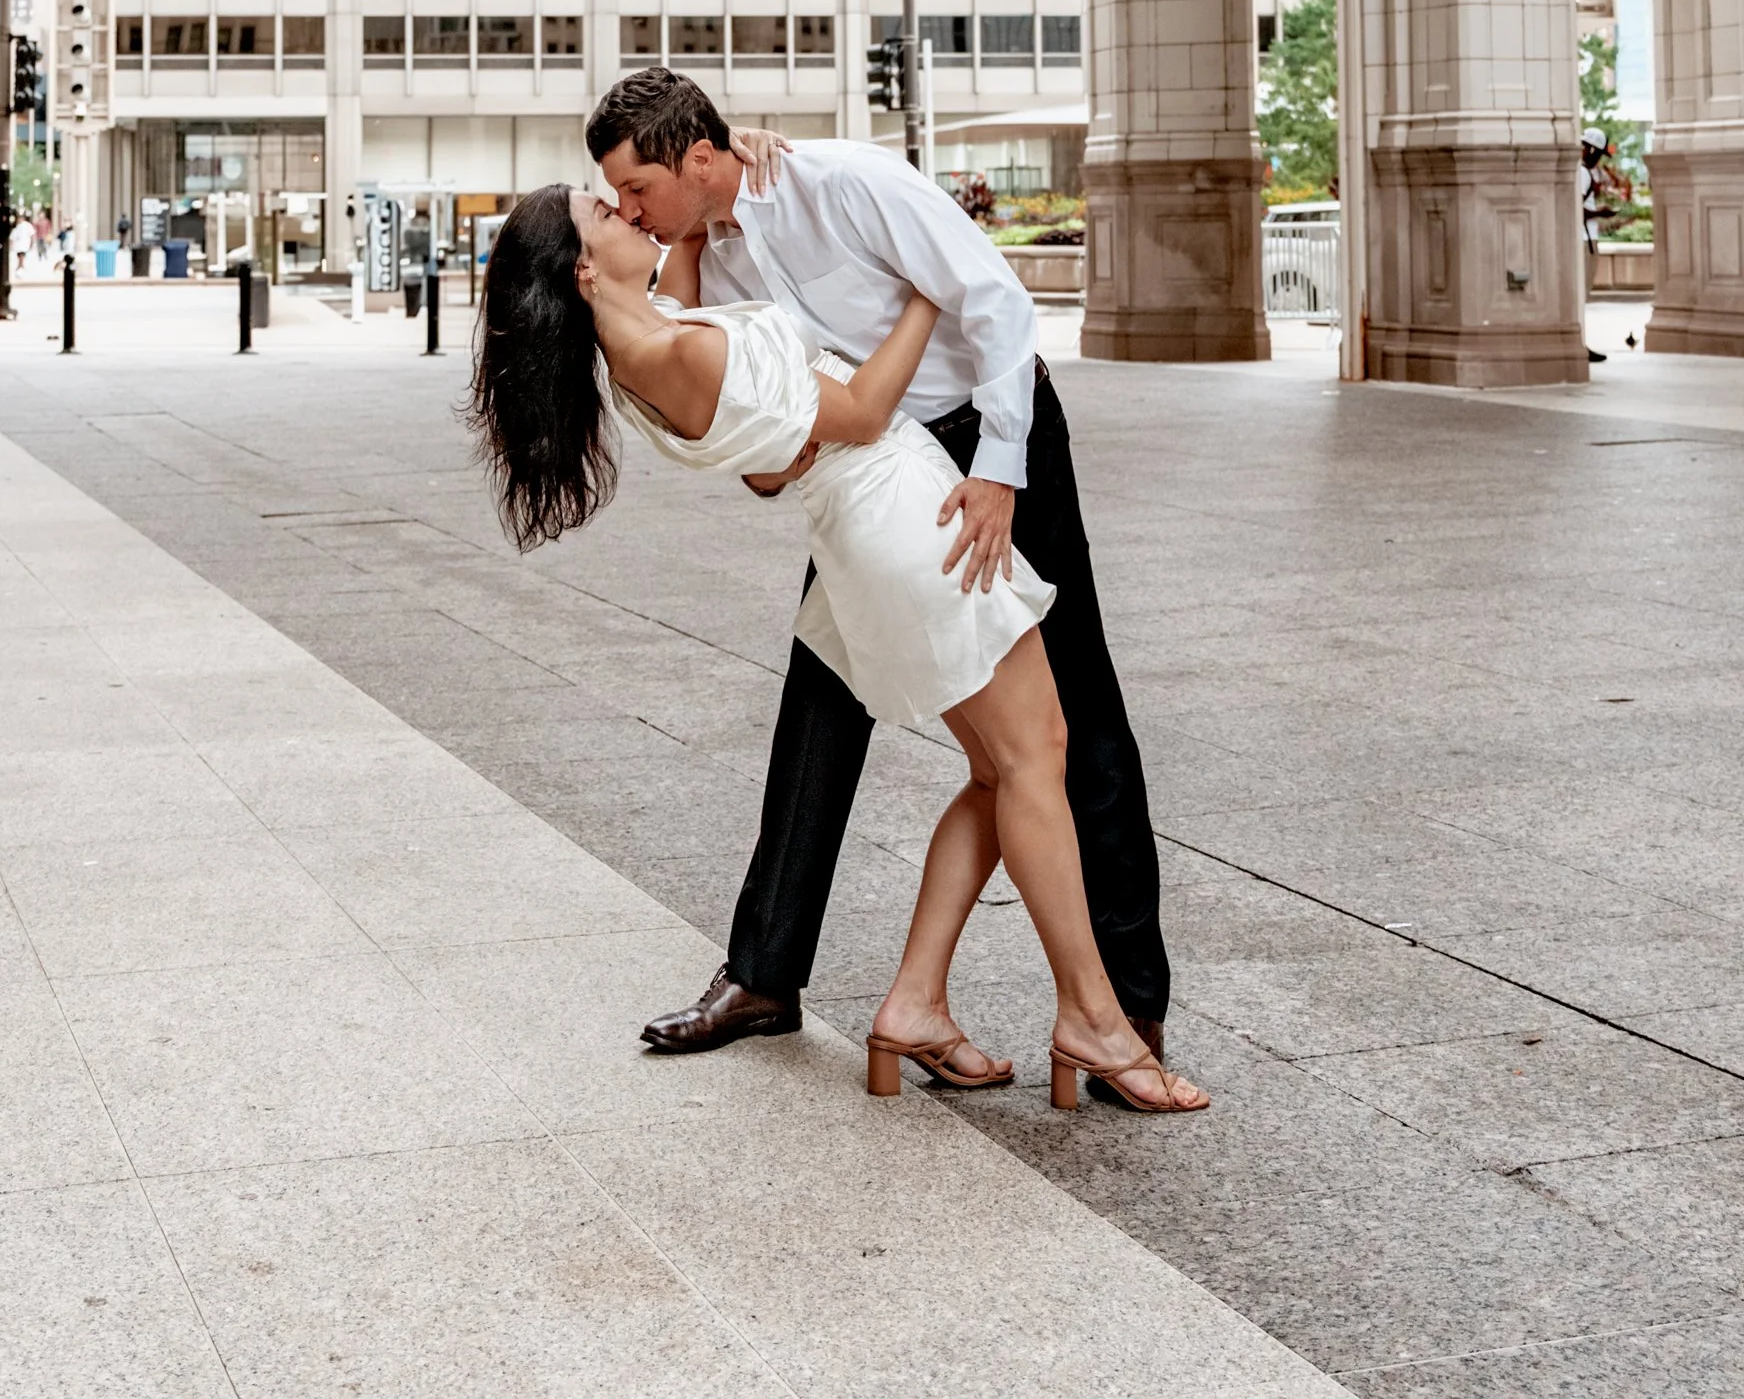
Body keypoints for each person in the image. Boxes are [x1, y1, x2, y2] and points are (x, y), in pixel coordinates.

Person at [472, 179, 1204, 1111]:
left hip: (869, 525)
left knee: (1000, 771)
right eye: (607, 213)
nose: (628, 212)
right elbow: (856, 413)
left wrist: (700, 215)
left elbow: (765, 456)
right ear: (582, 266)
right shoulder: (673, 346)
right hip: (908, 513)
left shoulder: (643, 349)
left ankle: (916, 1006)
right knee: (1036, 757)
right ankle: (1095, 1022)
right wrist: (926, 293)